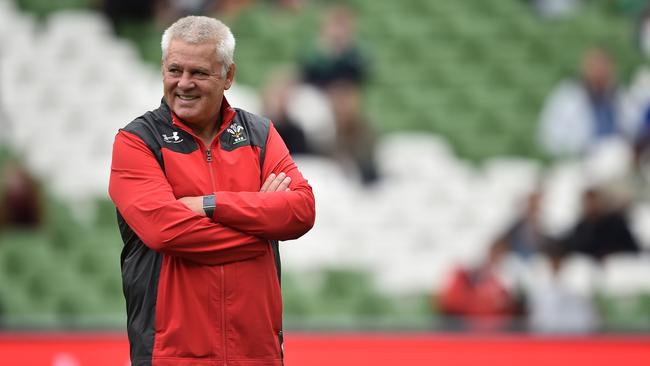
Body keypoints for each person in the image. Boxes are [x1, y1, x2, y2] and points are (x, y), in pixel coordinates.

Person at [108, 16, 315, 365]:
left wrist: (210, 205)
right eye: (175, 70)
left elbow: (302, 210)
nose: (183, 83)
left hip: (257, 354)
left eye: (199, 73)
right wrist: (259, 230)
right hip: (170, 356)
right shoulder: (136, 141)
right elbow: (166, 231)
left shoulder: (260, 134)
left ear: (228, 76)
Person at [537, 47, 637, 157]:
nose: (599, 71)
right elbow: (548, 138)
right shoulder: (567, 96)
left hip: (616, 157)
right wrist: (584, 149)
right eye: (595, 66)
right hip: (578, 160)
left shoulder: (620, 95)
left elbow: (633, 128)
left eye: (604, 66)